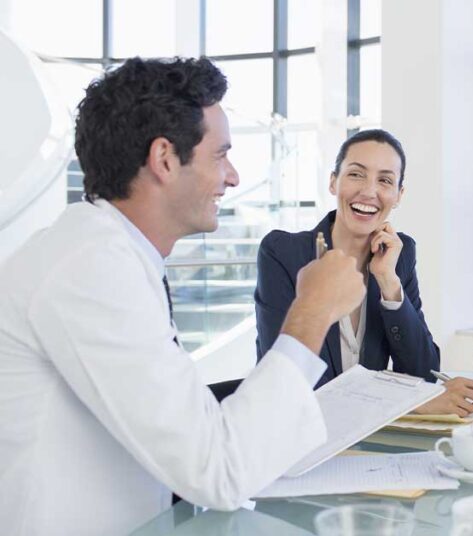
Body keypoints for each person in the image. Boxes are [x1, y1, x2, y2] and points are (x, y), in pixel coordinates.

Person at [0, 58, 365, 535]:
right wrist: (313, 310)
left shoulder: (109, 255)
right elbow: (218, 471)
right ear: (165, 159)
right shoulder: (89, 269)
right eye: (220, 155)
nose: (233, 177)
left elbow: (186, 426)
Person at [255, 129, 473, 416]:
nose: (369, 191)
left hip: (369, 445)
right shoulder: (283, 253)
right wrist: (411, 404)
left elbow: (423, 372)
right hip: (300, 443)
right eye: (356, 174)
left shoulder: (399, 255)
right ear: (332, 182)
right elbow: (294, 385)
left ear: (399, 195)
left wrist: (389, 283)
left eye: (385, 180)